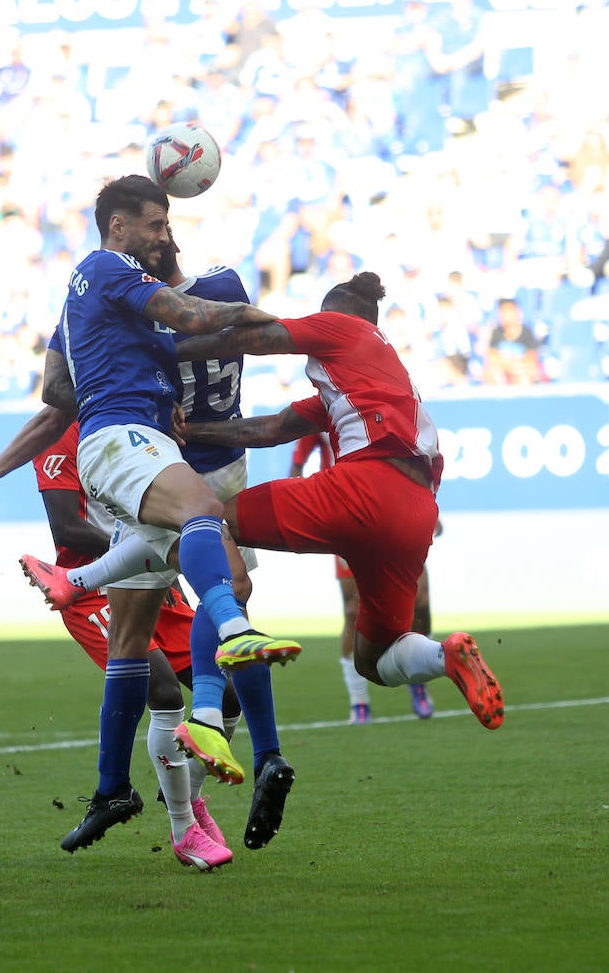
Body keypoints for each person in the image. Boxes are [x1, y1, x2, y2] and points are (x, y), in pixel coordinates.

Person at [14, 176, 300, 846]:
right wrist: (277, 328)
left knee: (131, 640)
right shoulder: (109, 267)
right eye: (154, 223)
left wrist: (143, 367)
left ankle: (126, 793)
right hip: (122, 441)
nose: (164, 232)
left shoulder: (89, 299)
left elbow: (57, 385)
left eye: (166, 223)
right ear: (118, 227)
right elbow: (194, 317)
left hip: (129, 438)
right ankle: (229, 638)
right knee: (206, 516)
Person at [171, 272, 504, 733]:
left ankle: (215, 677)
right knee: (375, 658)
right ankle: (444, 656)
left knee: (205, 521)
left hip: (366, 487)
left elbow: (255, 338)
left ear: (336, 314)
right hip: (416, 512)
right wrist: (190, 432)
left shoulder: (345, 328)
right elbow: (265, 430)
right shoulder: (374, 379)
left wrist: (164, 350)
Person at [33, 419, 238, 868]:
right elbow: (66, 529)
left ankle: (189, 801)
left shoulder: (145, 417)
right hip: (96, 593)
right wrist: (149, 555)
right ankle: (184, 831)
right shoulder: (60, 435)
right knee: (163, 691)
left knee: (227, 697)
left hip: (155, 578)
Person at [289, 433, 436, 722]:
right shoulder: (323, 408)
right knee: (353, 610)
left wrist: (428, 500)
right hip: (347, 515)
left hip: (397, 509)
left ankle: (419, 681)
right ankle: (359, 701)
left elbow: (420, 456)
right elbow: (296, 466)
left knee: (418, 601)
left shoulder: (391, 406)